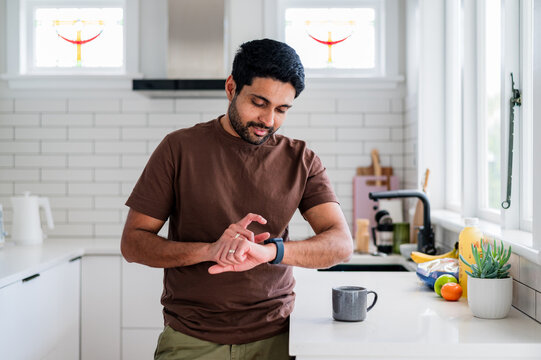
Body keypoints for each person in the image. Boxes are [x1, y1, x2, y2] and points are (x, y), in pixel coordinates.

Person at [121, 38, 353, 360]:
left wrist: (268, 251)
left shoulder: (301, 158)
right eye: (259, 102)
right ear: (231, 87)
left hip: (277, 337)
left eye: (282, 109)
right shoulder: (178, 149)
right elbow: (133, 243)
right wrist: (209, 251)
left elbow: (341, 244)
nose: (268, 120)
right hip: (190, 339)